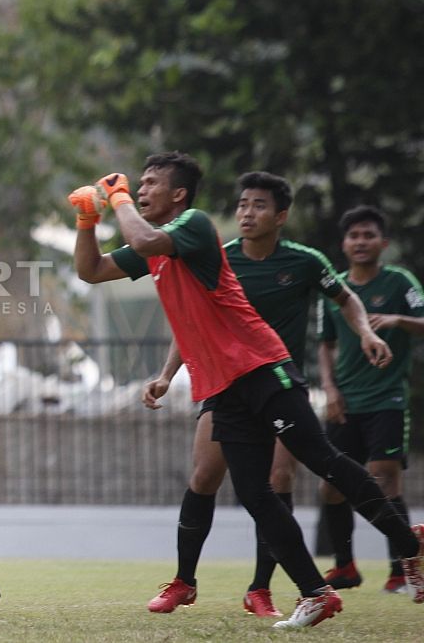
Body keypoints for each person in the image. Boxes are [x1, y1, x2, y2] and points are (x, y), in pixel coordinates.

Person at [68, 151, 424, 628]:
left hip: (260, 366)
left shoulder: (191, 224)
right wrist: (87, 219)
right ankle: (315, 593)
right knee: (256, 494)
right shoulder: (154, 247)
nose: (143, 190)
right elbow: (90, 272)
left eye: (152, 183)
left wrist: (117, 194)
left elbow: (145, 235)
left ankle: (410, 547)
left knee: (324, 461)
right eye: (140, 184)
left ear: (178, 195)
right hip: (223, 386)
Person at [141, 171, 390, 617]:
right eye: (241, 205)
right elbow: (191, 320)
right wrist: (165, 374)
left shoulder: (305, 261)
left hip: (276, 384)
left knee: (277, 481)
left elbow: (347, 298)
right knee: (203, 476)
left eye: (257, 205)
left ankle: (261, 589)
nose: (246, 213)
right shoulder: (217, 255)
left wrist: (367, 331)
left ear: (281, 216)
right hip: (225, 385)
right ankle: (183, 581)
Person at [317, 205, 424, 594]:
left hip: (387, 399)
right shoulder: (334, 289)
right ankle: (345, 567)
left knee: (383, 480)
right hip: (345, 402)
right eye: (353, 236)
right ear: (344, 244)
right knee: (331, 486)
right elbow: (325, 345)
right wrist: (329, 389)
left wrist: (396, 320)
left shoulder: (400, 282)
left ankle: (401, 569)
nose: (360, 242)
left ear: (384, 242)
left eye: (368, 235)